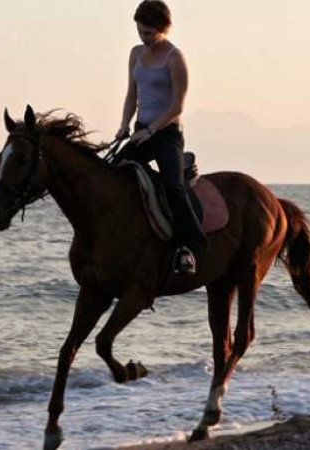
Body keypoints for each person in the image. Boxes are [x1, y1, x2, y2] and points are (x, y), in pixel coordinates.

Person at [114, 0, 205, 274]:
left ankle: (187, 247)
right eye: (140, 32)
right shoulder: (136, 54)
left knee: (173, 187)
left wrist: (152, 130)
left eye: (149, 33)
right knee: (113, 172)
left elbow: (177, 106)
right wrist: (124, 125)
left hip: (166, 133)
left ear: (163, 28)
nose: (144, 38)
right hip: (141, 130)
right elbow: (132, 95)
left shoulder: (175, 58)